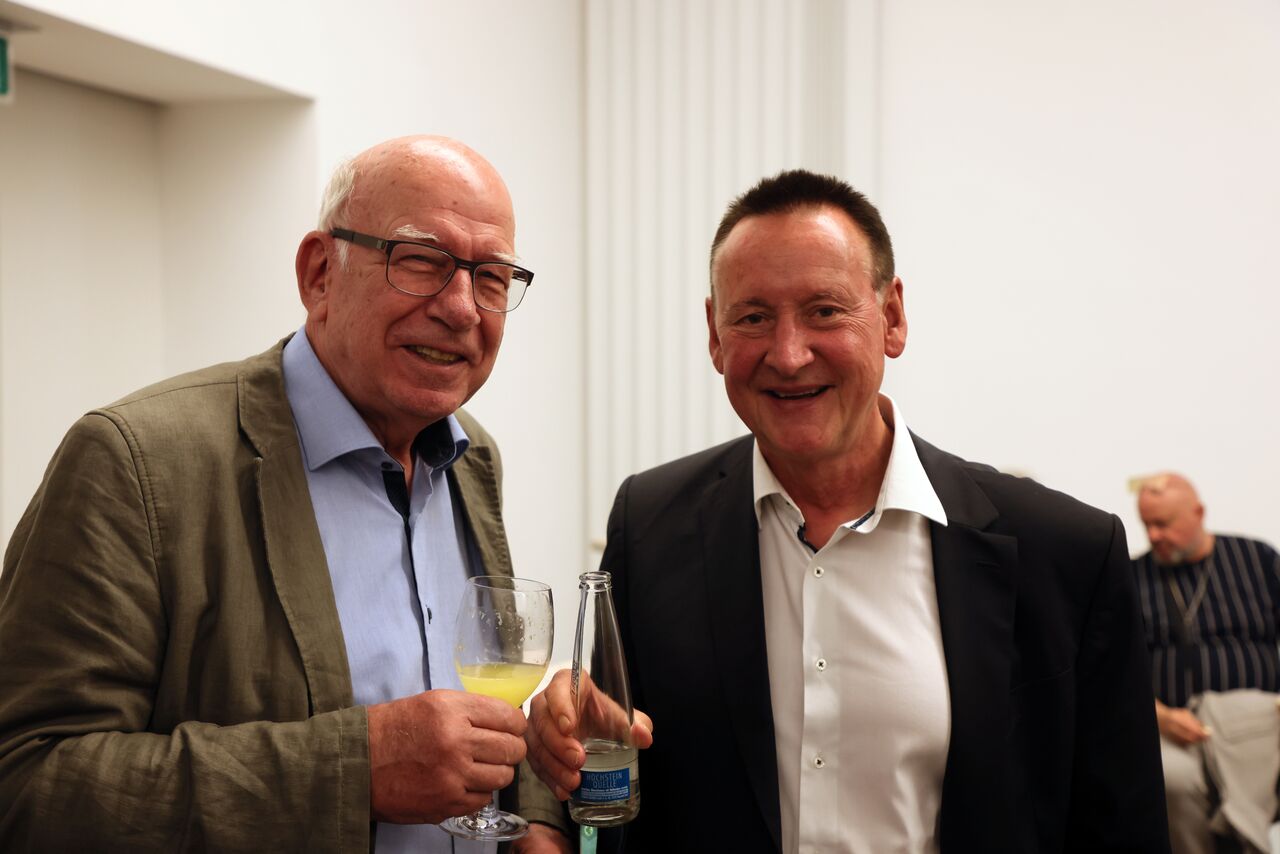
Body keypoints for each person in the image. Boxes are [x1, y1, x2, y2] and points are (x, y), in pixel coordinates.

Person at [524, 169, 1170, 852]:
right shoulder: (649, 525)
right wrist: (557, 758)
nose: (788, 354)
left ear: (892, 317)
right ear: (715, 335)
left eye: (825, 311)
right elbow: (608, 767)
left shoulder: (1065, 554)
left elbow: (1122, 830)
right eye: (753, 317)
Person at [0, 136, 569, 852]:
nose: (461, 308)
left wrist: (535, 818)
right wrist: (353, 771)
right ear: (319, 273)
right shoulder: (135, 462)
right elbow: (28, 782)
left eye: (491, 278)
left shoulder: (471, 455)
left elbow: (470, 720)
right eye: (421, 261)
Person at [1132, 473, 1280, 854]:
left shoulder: (1257, 560)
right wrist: (1161, 716)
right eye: (1147, 524)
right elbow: (1117, 669)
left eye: (1163, 523)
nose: (1153, 536)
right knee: (1171, 781)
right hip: (1171, 728)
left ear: (1198, 513)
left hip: (1259, 722)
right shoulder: (1131, 577)